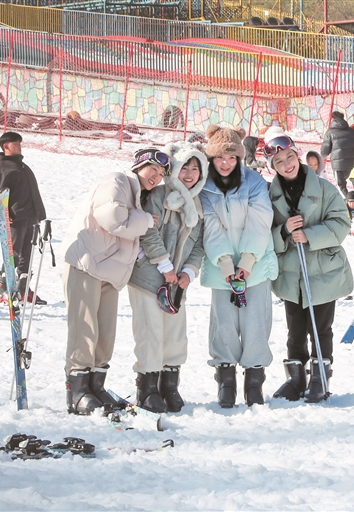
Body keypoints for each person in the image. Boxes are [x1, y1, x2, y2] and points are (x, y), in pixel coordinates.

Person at [62, 147, 163, 415]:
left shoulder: (140, 198)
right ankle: (78, 390)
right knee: (84, 328)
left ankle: (96, 385)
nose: (156, 176)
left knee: (105, 333)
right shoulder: (117, 180)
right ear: (138, 166)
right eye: (152, 168)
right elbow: (113, 220)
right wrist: (146, 221)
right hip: (87, 263)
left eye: (161, 173)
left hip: (110, 271)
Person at [266, 131, 353, 402]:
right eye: (279, 162)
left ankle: (320, 376)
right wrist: (283, 231)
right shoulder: (270, 194)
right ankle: (296, 378)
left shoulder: (325, 189)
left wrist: (310, 235)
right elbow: (263, 232)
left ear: (297, 155)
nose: (286, 164)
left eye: (289, 157)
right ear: (274, 167)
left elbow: (341, 224)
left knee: (320, 326)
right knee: (295, 328)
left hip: (322, 271)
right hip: (292, 272)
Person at [200, 125, 278, 408]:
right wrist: (224, 263)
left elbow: (260, 222)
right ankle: (226, 380)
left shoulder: (254, 182)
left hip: (254, 266)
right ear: (212, 158)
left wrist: (246, 263)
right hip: (222, 270)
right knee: (224, 325)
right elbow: (210, 226)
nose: (226, 163)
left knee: (256, 323)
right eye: (220, 157)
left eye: (232, 158)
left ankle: (254, 381)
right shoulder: (205, 186)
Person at [127, 142, 208, 414]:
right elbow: (148, 232)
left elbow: (199, 245)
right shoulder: (160, 195)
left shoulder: (196, 203)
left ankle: (169, 385)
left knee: (174, 335)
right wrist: (165, 265)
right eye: (184, 166)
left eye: (195, 168)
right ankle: (147, 388)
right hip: (150, 276)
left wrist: (188, 272)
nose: (188, 173)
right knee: (151, 332)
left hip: (175, 284)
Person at [0, 132, 47, 305]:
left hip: (29, 216)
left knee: (27, 254)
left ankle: (23, 289)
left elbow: (32, 192)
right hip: (14, 218)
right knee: (13, 253)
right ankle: (3, 287)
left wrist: (38, 214)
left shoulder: (22, 166)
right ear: (6, 146)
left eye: (20, 143)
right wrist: (3, 215)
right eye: (16, 143)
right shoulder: (3, 167)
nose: (20, 146)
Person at [321, 111, 354, 200]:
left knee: (341, 186)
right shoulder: (351, 131)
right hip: (351, 164)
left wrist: (320, 157)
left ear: (333, 119)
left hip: (337, 166)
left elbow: (325, 151)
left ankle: (350, 201)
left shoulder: (330, 133)